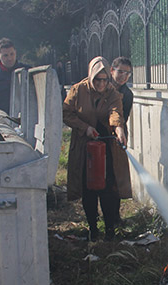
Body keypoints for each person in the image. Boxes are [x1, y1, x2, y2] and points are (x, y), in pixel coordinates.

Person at [62, 56, 131, 242]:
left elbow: (116, 113)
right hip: (85, 147)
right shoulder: (78, 90)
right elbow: (66, 113)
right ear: (91, 76)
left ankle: (110, 230)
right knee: (88, 189)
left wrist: (119, 130)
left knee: (109, 188)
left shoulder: (113, 93)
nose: (101, 84)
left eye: (104, 79)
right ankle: (93, 228)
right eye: (97, 79)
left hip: (108, 146)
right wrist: (85, 128)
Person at [110, 57, 133, 124]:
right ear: (112, 70)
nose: (123, 76)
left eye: (127, 73)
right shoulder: (101, 86)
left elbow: (124, 118)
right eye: (120, 72)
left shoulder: (128, 94)